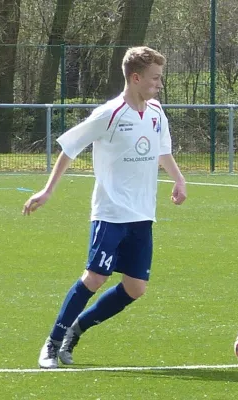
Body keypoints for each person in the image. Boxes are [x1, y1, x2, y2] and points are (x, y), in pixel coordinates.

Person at [23, 46, 187, 368]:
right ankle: (52, 343)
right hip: (111, 212)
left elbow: (162, 151)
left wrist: (179, 179)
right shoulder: (108, 114)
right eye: (155, 78)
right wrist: (47, 190)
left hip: (143, 214)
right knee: (95, 277)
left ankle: (76, 329)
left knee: (136, 288)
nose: (159, 83)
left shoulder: (156, 113)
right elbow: (70, 148)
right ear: (136, 77)